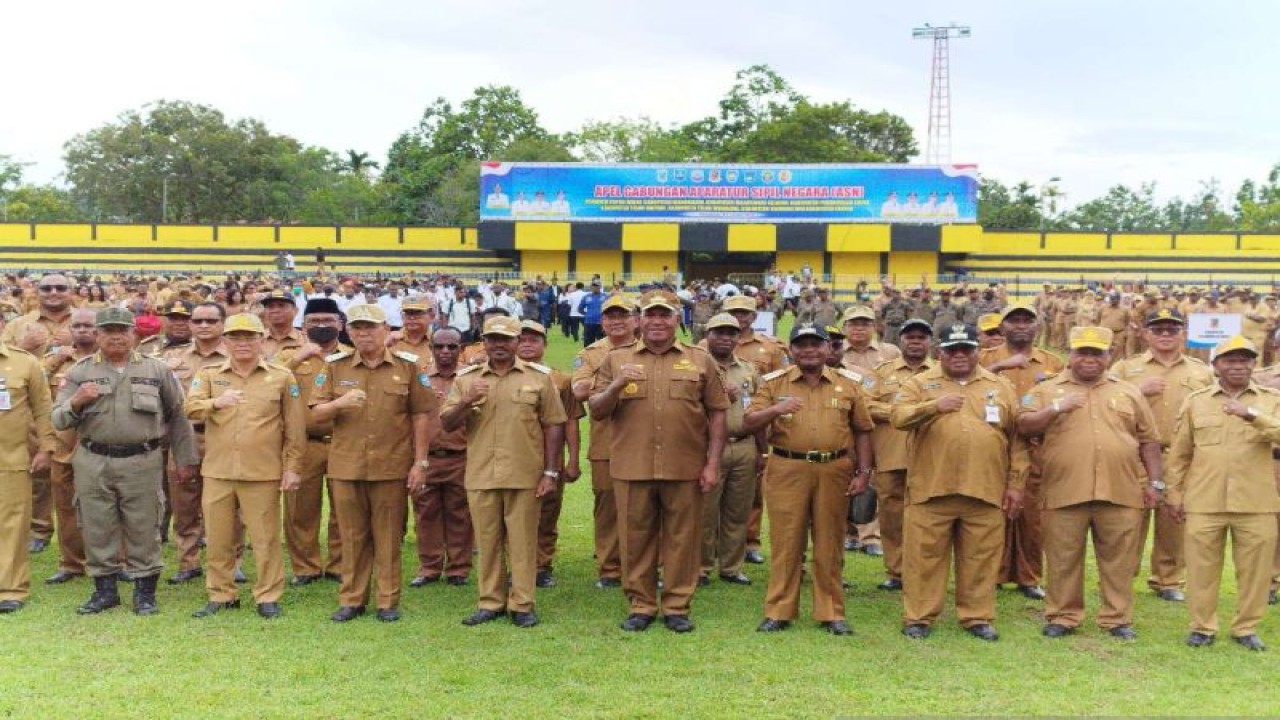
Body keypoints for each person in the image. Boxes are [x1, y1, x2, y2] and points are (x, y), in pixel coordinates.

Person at [589, 289, 729, 633]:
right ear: (639, 321)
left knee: (683, 538)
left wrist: (712, 464)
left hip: (684, 466)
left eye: (664, 315)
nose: (657, 321)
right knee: (635, 537)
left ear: (676, 320)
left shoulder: (700, 359)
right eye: (650, 315)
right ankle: (641, 604)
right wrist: (618, 385)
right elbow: (596, 409)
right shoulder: (616, 360)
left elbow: (718, 413)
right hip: (632, 467)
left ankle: (677, 605)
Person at [1018, 326, 1162, 640]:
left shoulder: (1129, 392)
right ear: (1070, 355)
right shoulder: (1046, 390)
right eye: (1082, 352)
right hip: (1064, 489)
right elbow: (1024, 426)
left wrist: (1155, 483)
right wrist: (1056, 408)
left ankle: (1117, 618)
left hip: (1120, 490)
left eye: (1096, 353)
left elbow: (1149, 441)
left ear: (1109, 356)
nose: (1089, 359)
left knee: (1119, 561)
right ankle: (1063, 615)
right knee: (1062, 557)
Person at [52, 307, 199, 616]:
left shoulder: (156, 370)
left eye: (122, 330)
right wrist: (77, 401)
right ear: (97, 335)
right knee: (96, 525)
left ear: (134, 334)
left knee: (144, 524)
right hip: (93, 460)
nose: (116, 335)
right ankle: (104, 592)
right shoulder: (80, 372)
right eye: (108, 330)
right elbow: (58, 419)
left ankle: (145, 594)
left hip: (142, 460)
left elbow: (178, 417)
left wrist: (185, 460)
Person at [891, 323, 1027, 641]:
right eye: (953, 350)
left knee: (981, 558)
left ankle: (977, 616)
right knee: (923, 558)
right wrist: (932, 407)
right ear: (940, 352)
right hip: (932, 488)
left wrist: (1016, 484)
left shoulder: (1000, 385)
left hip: (985, 488)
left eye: (967, 349)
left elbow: (1017, 440)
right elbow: (898, 417)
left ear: (977, 351)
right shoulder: (920, 383)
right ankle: (919, 617)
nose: (960, 356)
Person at [745, 323, 874, 635]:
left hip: (834, 469)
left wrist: (864, 472)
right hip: (788, 468)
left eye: (816, 344)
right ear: (791, 350)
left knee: (830, 542)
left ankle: (831, 611)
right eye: (801, 344)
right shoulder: (773, 383)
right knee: (787, 542)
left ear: (828, 348)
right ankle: (779, 610)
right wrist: (777, 409)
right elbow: (748, 421)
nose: (809, 350)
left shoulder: (848, 384)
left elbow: (863, 429)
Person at [310, 304, 436, 623]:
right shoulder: (335, 366)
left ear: (386, 330)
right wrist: (340, 402)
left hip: (392, 465)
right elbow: (315, 412)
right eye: (357, 328)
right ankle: (352, 599)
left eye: (370, 327)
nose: (363, 333)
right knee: (351, 536)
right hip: (347, 465)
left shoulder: (408, 366)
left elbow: (422, 414)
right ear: (347, 332)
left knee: (389, 535)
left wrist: (420, 462)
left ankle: (387, 600)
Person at [442, 316, 567, 628]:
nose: (499, 345)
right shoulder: (466, 378)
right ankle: (490, 602)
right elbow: (447, 423)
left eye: (506, 339)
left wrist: (551, 472)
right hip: (482, 473)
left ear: (516, 342)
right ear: (483, 342)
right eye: (493, 339)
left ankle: (522, 604)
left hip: (525, 473)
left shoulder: (539, 378)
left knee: (524, 542)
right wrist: (467, 400)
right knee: (487, 541)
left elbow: (554, 424)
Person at [184, 313, 305, 619]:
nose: (242, 344)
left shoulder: (280, 376)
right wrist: (216, 403)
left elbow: (294, 428)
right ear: (224, 341)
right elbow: (190, 407)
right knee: (218, 537)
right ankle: (221, 594)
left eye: (249, 337)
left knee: (265, 539)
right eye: (235, 337)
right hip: (218, 470)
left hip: (262, 472)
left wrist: (292, 468)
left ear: (262, 341)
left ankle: (267, 596)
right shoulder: (211, 374)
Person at [1166, 336, 1280, 650]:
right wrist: (1173, 494)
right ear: (1215, 366)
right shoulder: (1197, 401)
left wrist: (1251, 414)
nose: (1237, 366)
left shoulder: (1271, 399)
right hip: (1205, 500)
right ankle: (1202, 627)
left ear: (1253, 364)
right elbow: (1180, 454)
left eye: (1244, 360)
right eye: (1229, 360)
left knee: (1255, 573)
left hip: (1256, 502)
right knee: (1202, 569)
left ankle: (1245, 628)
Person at [1110, 309, 1214, 602]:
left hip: (1180, 456)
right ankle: (1121, 577)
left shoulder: (1200, 372)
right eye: (1158, 329)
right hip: (1136, 455)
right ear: (1145, 334)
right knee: (1129, 519)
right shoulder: (1125, 370)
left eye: (1172, 329)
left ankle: (1168, 580)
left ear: (1184, 334)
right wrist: (1137, 391)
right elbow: (1105, 404)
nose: (1165, 335)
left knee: (1174, 518)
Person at [977, 305, 1065, 600]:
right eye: (1013, 320)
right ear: (1001, 327)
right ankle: (994, 572)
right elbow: (968, 386)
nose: (1020, 326)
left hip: (1037, 445)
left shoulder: (1052, 362)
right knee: (991, 511)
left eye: (1027, 320)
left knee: (1032, 514)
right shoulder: (984, 358)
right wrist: (1000, 367)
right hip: (993, 443)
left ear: (1037, 326)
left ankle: (1029, 576)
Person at [276, 298, 348, 584]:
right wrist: (297, 358)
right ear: (302, 326)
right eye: (314, 321)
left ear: (340, 325)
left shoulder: (352, 356)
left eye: (328, 321)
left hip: (343, 441)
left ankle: (340, 565)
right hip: (303, 443)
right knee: (299, 510)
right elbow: (265, 382)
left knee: (345, 507)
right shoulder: (286, 357)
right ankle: (305, 567)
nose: (321, 326)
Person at [161, 302, 231, 585]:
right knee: (184, 503)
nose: (203, 326)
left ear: (222, 324)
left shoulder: (236, 356)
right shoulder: (171, 358)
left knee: (228, 504)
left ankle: (231, 561)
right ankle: (188, 562)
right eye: (198, 321)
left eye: (210, 321)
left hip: (223, 436)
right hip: (183, 437)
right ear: (190, 325)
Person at [571, 294, 638, 588]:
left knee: (644, 508)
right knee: (607, 507)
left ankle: (644, 566)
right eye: (610, 316)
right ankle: (610, 568)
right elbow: (579, 390)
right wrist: (614, 375)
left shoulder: (649, 349)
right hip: (606, 443)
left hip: (642, 441)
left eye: (623, 315)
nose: (617, 321)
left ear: (635, 320)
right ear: (602, 321)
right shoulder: (591, 353)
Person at [864, 318, 935, 591]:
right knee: (892, 517)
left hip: (930, 458)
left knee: (928, 517)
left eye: (921, 337)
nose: (916, 341)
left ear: (930, 342)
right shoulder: (882, 372)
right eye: (910, 337)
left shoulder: (941, 372)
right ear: (901, 340)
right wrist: (903, 413)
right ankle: (896, 572)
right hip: (891, 455)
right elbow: (865, 405)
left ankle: (924, 571)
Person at [5, 274, 74, 554]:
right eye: (47, 288)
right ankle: (39, 528)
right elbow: (4, 362)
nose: (54, 292)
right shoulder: (20, 325)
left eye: (60, 288)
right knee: (39, 473)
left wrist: (78, 341)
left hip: (80, 411)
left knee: (78, 475)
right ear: (37, 292)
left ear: (71, 292)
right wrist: (26, 348)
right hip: (33, 412)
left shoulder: (83, 320)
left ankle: (78, 537)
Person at [720, 294, 789, 563]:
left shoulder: (770, 348)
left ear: (754, 316)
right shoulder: (705, 345)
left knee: (752, 491)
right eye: (734, 312)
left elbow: (784, 383)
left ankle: (750, 542)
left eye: (744, 313)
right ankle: (716, 544)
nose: (739, 317)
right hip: (719, 427)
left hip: (756, 426)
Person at [514, 320, 582, 589]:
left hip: (548, 458)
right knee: (514, 515)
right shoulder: (500, 375)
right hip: (515, 456)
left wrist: (573, 459)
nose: (527, 344)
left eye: (534, 339)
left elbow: (571, 421)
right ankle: (517, 565)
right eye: (522, 339)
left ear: (545, 344)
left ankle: (542, 565)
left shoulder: (560, 379)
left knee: (547, 514)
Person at [699, 313, 765, 587]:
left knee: (738, 511)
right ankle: (701, 567)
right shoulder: (696, 366)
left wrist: (763, 451)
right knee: (704, 511)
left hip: (744, 445)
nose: (725, 338)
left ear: (739, 338)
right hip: (708, 448)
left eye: (731, 334)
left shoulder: (749, 369)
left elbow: (758, 409)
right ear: (708, 335)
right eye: (719, 333)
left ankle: (731, 566)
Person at [410, 327, 474, 588]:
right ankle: (429, 567)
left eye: (452, 346)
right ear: (431, 349)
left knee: (460, 514)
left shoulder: (472, 378)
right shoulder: (420, 378)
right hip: (427, 457)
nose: (445, 352)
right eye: (439, 347)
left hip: (462, 455)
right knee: (426, 514)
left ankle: (458, 567)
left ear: (461, 348)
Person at [0, 310, 55, 613]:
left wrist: (46, 448)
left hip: (10, 459)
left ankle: (10, 589)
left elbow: (43, 408)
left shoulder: (25, 362)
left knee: (11, 526)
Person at [40, 308, 96, 584]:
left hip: (100, 442)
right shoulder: (56, 360)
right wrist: (56, 359)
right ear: (70, 329)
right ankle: (71, 563)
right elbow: (34, 390)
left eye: (89, 325)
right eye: (78, 326)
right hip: (64, 443)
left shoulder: (110, 358)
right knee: (65, 506)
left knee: (108, 503)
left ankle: (116, 561)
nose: (83, 330)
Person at [261, 290, 305, 361]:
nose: (275, 310)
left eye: (281, 305)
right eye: (270, 306)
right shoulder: (256, 339)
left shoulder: (305, 340)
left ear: (295, 311)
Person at [578, 281, 607, 347]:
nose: (595, 287)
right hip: (589, 323)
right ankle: (587, 356)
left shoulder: (605, 296)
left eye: (597, 286)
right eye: (593, 286)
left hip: (602, 323)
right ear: (591, 287)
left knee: (603, 342)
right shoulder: (586, 297)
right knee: (588, 342)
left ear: (600, 287)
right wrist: (587, 314)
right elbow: (580, 308)